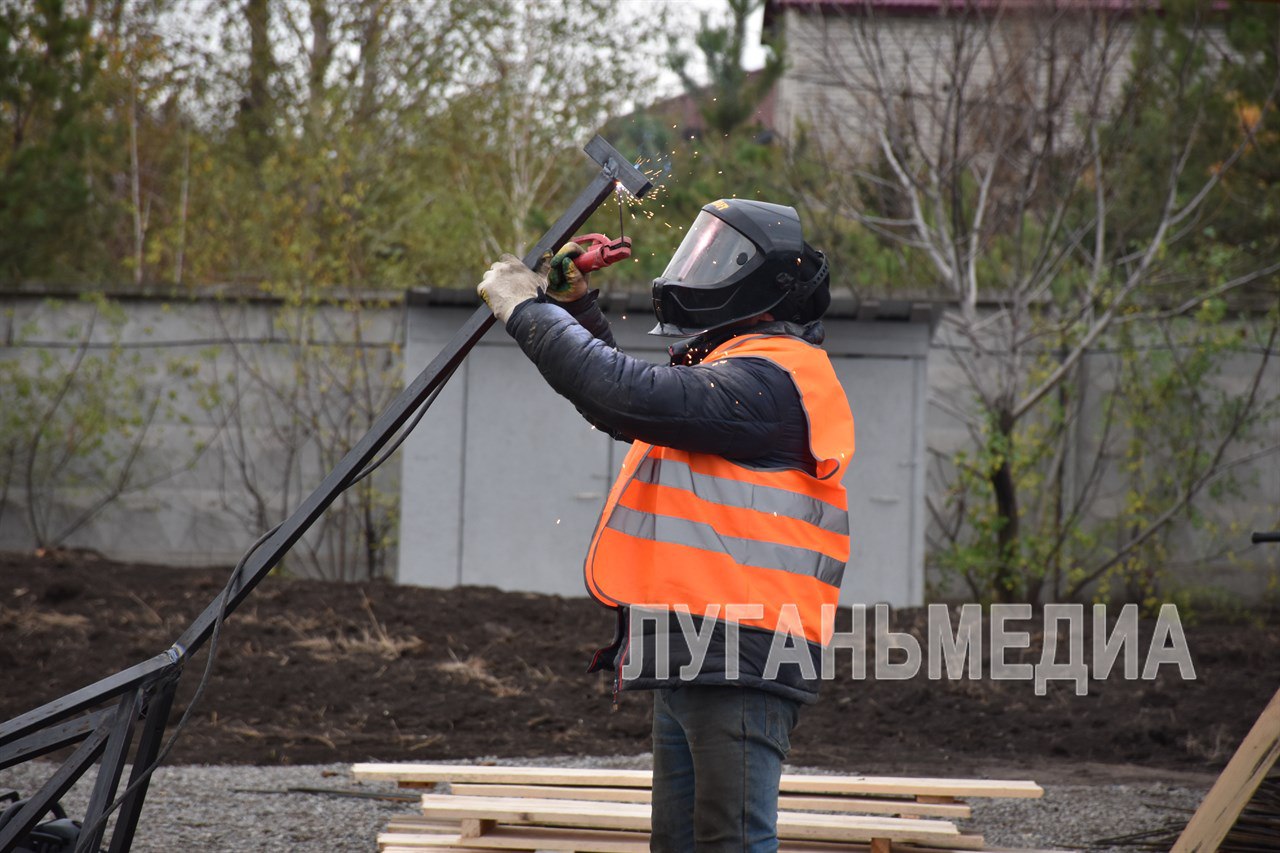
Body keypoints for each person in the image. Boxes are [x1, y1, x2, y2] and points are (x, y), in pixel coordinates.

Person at [476, 199, 855, 853]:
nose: (697, 272)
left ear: (762, 285)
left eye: (719, 259)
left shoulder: (771, 381)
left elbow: (623, 394)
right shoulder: (733, 374)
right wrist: (575, 310)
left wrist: (529, 310)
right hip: (695, 648)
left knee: (728, 842)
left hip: (742, 651)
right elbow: (643, 393)